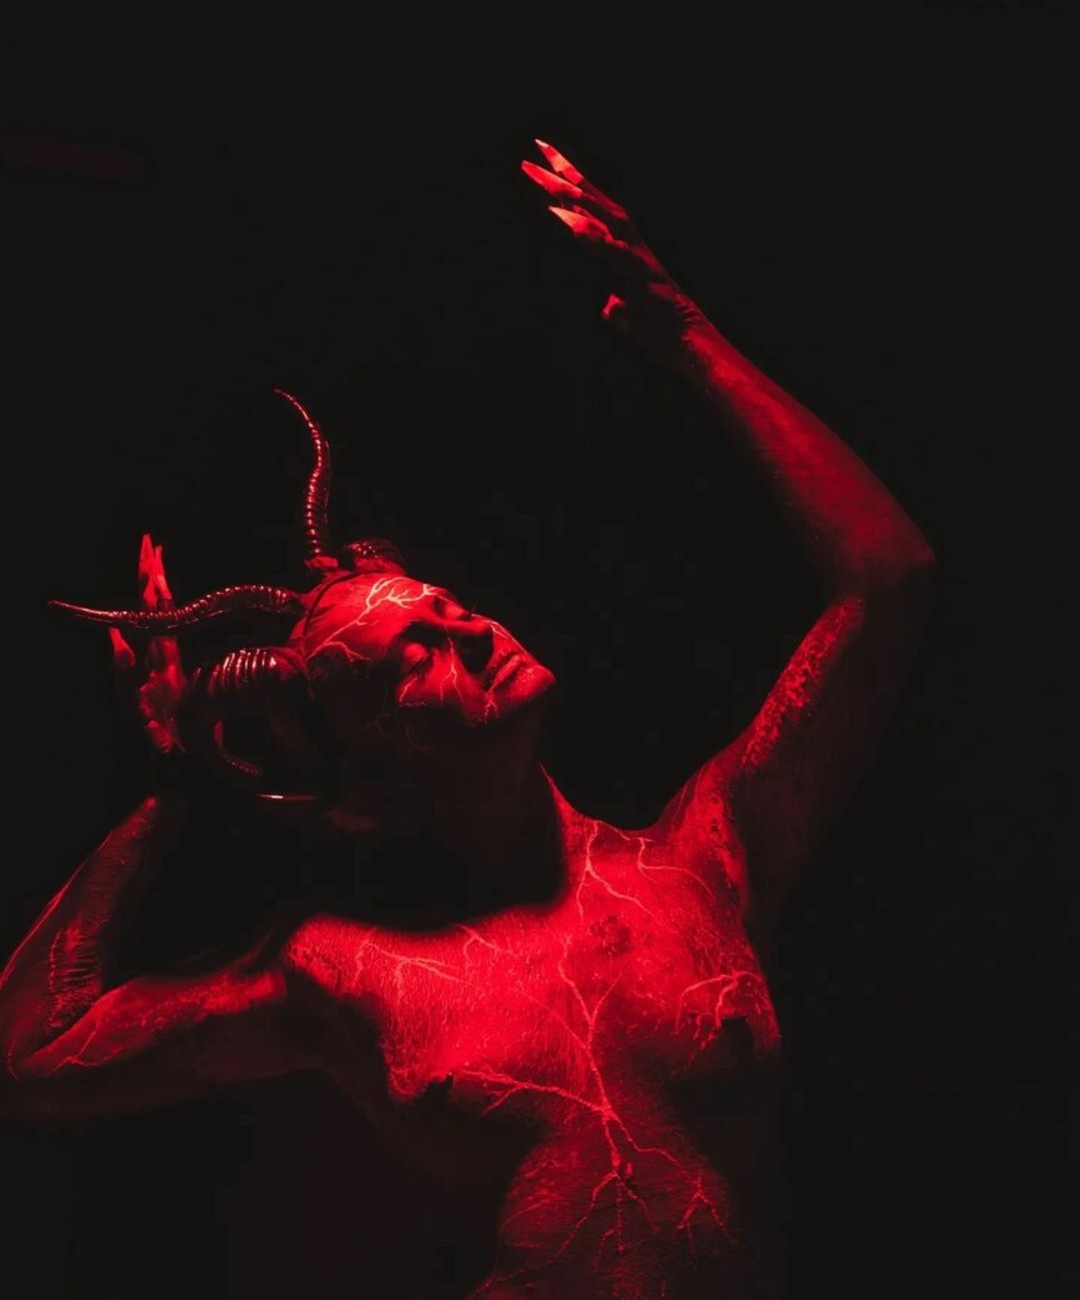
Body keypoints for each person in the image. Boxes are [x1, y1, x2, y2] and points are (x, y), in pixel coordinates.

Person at [0, 139, 936, 1299]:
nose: (473, 632)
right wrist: (168, 790)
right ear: (371, 764)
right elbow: (29, 1057)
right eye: (416, 655)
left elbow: (888, 584)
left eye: (450, 607)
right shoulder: (343, 978)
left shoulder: (710, 855)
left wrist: (691, 339)